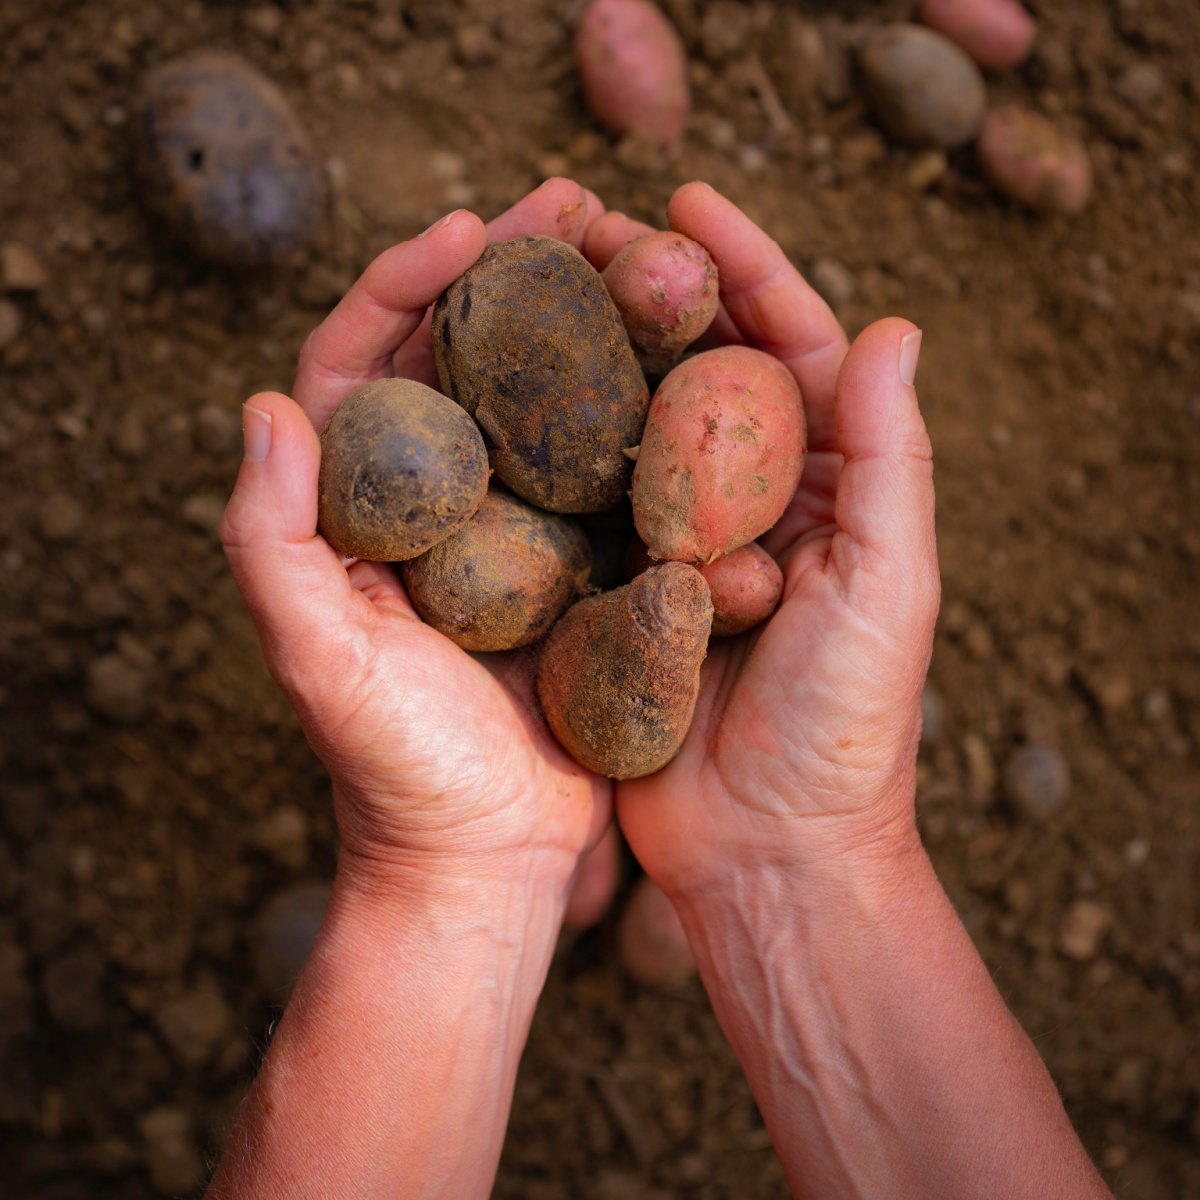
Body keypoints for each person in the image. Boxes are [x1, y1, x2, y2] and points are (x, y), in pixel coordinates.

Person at [208, 178, 1110, 1199]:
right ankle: (592, 886)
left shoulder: (672, 555)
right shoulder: (612, 531)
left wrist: (453, 886)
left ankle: (585, 889)